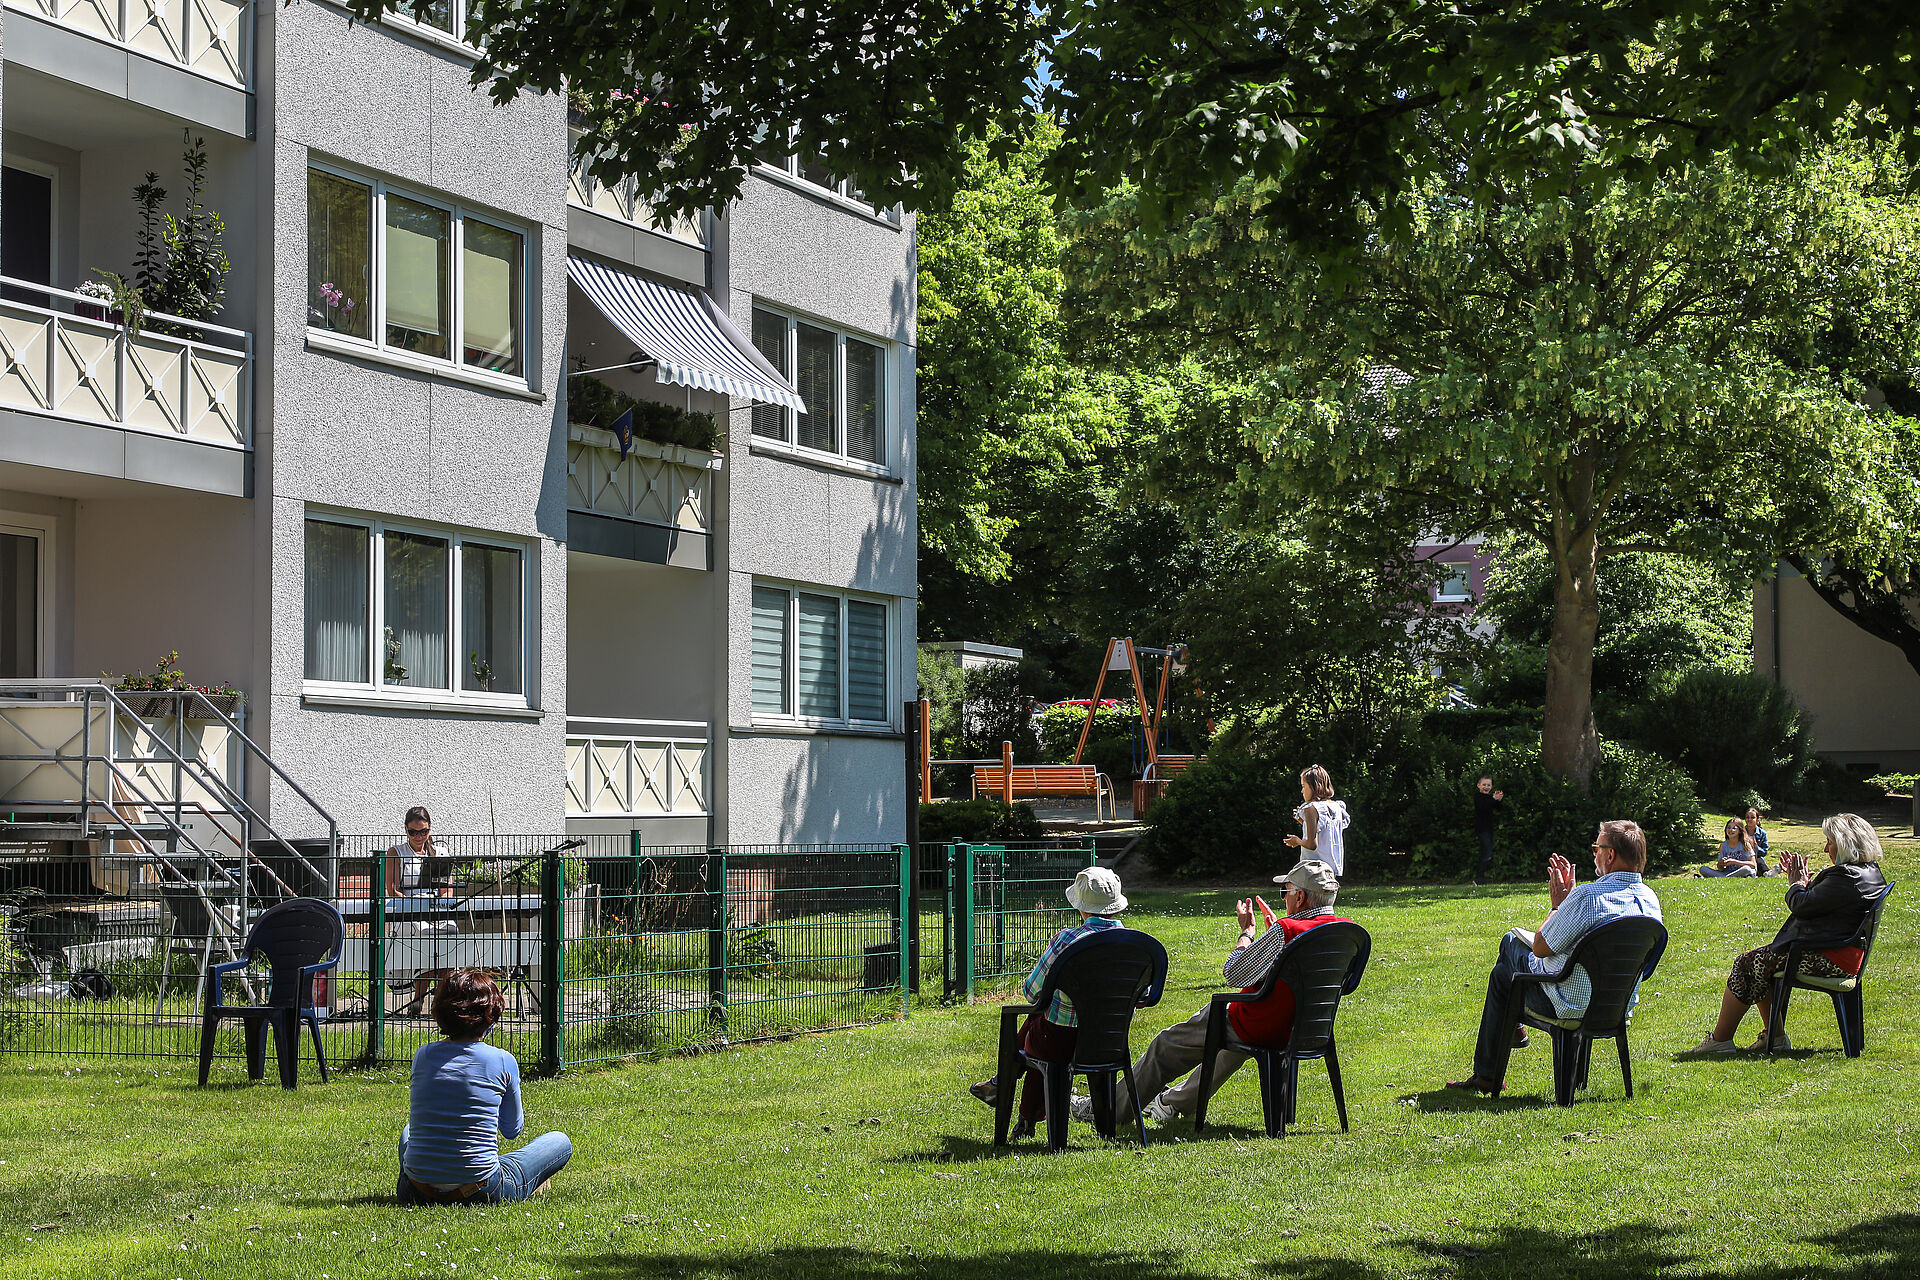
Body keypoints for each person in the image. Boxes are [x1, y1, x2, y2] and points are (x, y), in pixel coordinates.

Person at [1069, 860, 1350, 1125]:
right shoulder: (1344, 932)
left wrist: (1248, 935)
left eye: (1285, 892)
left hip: (1258, 1025)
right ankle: (1169, 1102)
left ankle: (1109, 1110)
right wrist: (1272, 947)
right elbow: (1335, 983)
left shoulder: (1287, 931)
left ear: (1300, 898)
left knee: (1164, 1046)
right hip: (1306, 1030)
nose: (1284, 899)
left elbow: (1234, 973)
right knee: (1225, 1048)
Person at [1445, 820, 1663, 1095]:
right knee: (1503, 977)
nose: (1594, 853)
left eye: (1597, 847)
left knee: (1510, 944)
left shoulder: (1588, 897)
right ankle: (1500, 1052)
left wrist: (1559, 905)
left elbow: (1540, 947)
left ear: (1610, 855)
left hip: (1565, 1003)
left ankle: (1497, 1059)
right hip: (1616, 1007)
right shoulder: (1651, 900)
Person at [1681, 813, 1889, 1055]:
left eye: (1829, 842)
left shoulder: (1846, 877)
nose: (1825, 848)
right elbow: (1824, 905)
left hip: (1829, 958)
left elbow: (1801, 905)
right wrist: (1806, 884)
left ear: (1845, 843)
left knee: (1747, 963)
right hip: (1844, 954)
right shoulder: (1868, 872)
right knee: (1764, 960)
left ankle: (1721, 1040)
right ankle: (1775, 1037)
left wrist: (1796, 883)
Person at [967, 866, 1130, 1141]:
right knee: (1039, 1026)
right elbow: (1145, 995)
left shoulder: (1066, 940)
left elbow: (1031, 992)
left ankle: (1006, 1091)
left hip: (1060, 1042)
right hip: (1108, 1042)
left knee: (1038, 1030)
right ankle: (1018, 1109)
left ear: (1081, 907)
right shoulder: (1132, 943)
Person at [397, 968, 572, 1204]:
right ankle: (527, 1179)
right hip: (481, 1189)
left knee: (408, 1132)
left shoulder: (423, 1055)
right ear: (490, 1014)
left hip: (416, 1190)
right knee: (559, 1141)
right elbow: (512, 1130)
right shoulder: (501, 1060)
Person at [1285, 765, 1351, 876]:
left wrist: (1297, 841)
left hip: (1313, 869)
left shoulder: (1310, 808)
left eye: (1303, 786)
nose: (1302, 791)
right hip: (1331, 870)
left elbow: (1312, 844)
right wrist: (1303, 822)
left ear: (1314, 786)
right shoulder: (1336, 806)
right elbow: (1325, 832)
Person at [385, 805, 441, 898]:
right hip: (406, 907)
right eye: (413, 832)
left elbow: (446, 891)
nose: (418, 836)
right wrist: (411, 906)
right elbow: (393, 890)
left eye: (423, 832)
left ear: (429, 829)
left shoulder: (440, 853)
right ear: (406, 830)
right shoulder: (395, 853)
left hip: (434, 907)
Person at [1471, 775, 1505, 884]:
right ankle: (1478, 878)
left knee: (1486, 853)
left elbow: (1498, 809)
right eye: (1484, 784)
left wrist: (1498, 800)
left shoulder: (1490, 797)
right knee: (1487, 853)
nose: (1486, 787)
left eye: (1488, 785)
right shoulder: (1478, 797)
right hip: (1481, 829)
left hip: (1489, 829)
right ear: (1479, 785)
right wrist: (1493, 799)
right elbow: (1483, 807)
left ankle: (1479, 878)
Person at [1745, 807, 1772, 875]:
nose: (1749, 819)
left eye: (1752, 817)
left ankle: (1767, 873)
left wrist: (1755, 847)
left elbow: (1764, 852)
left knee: (1759, 860)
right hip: (1744, 857)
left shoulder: (1762, 833)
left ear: (1757, 820)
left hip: (1758, 857)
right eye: (1747, 817)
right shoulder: (1741, 832)